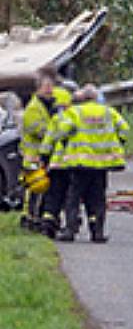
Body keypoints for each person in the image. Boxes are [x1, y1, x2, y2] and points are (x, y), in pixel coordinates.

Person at [42, 85, 128, 242]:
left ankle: (70, 231)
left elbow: (62, 130)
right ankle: (98, 232)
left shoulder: (75, 112)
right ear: (96, 98)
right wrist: (115, 145)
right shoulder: (109, 112)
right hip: (103, 164)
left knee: (73, 197)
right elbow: (124, 130)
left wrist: (67, 142)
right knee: (98, 197)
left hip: (80, 164)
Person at [20, 68, 72, 236]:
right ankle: (30, 218)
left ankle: (44, 217)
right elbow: (39, 130)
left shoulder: (53, 105)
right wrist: (55, 127)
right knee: (35, 188)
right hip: (33, 156)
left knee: (49, 190)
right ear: (38, 88)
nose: (49, 89)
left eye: (51, 86)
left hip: (49, 155)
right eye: (46, 86)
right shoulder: (33, 108)